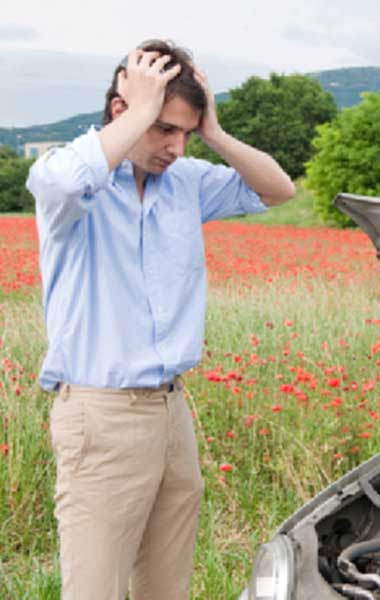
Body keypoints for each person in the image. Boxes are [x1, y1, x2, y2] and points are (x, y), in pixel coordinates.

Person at [26, 39, 294, 599]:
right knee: (94, 588)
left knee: (166, 587)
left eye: (185, 133)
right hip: (101, 413)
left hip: (172, 409)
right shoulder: (74, 181)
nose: (175, 146)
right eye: (163, 128)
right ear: (124, 109)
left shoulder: (187, 183)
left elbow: (277, 189)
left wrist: (214, 134)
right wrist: (143, 108)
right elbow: (58, 184)